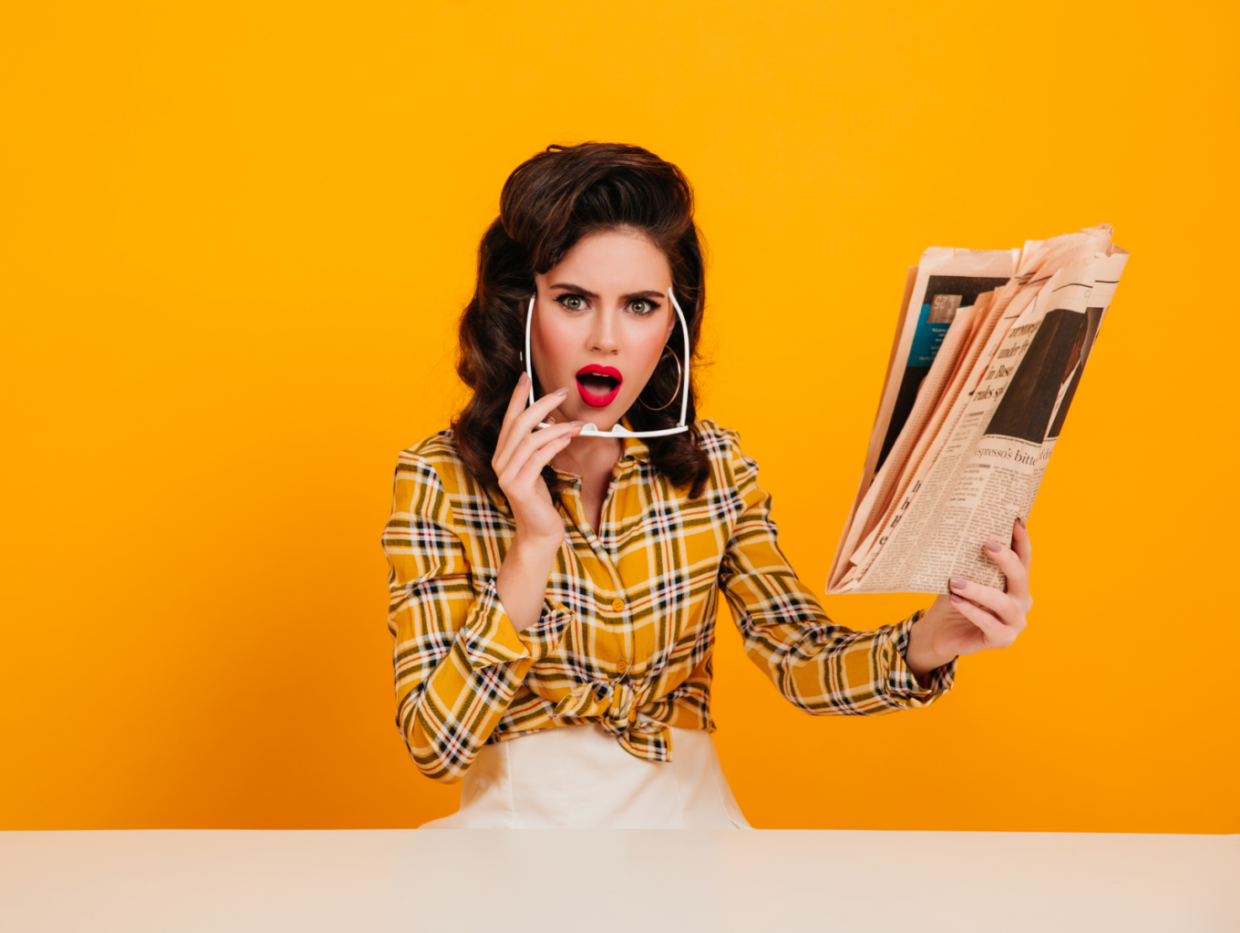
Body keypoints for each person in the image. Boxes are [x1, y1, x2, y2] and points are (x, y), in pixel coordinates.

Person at [382, 143, 1032, 828]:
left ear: (673, 325)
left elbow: (800, 657)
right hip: (514, 848)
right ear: (521, 309)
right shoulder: (438, 478)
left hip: (690, 835)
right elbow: (434, 744)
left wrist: (930, 641)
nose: (606, 339)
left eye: (640, 305)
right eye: (573, 300)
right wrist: (533, 546)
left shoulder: (711, 468)